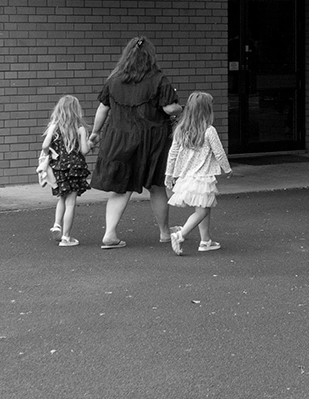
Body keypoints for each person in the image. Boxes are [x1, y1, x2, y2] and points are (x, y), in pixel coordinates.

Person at [90, 36, 182, 249]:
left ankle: (109, 235)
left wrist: (95, 133)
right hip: (153, 140)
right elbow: (169, 108)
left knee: (120, 188)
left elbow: (103, 108)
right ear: (151, 57)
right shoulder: (159, 79)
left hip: (119, 138)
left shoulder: (114, 79)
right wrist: (182, 109)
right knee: (157, 186)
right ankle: (165, 233)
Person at [165, 91, 230, 255]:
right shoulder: (209, 131)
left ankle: (205, 240)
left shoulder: (181, 130)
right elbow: (219, 153)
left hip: (187, 177)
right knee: (202, 211)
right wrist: (227, 169)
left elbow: (172, 154)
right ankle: (180, 235)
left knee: (204, 207)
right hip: (203, 178)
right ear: (207, 110)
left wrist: (169, 173)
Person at [38, 94, 91, 247]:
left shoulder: (54, 127)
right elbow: (84, 150)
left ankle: (57, 224)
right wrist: (89, 142)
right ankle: (66, 237)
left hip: (59, 168)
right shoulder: (80, 129)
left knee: (62, 197)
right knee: (71, 203)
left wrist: (50, 152)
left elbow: (44, 146)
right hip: (76, 168)